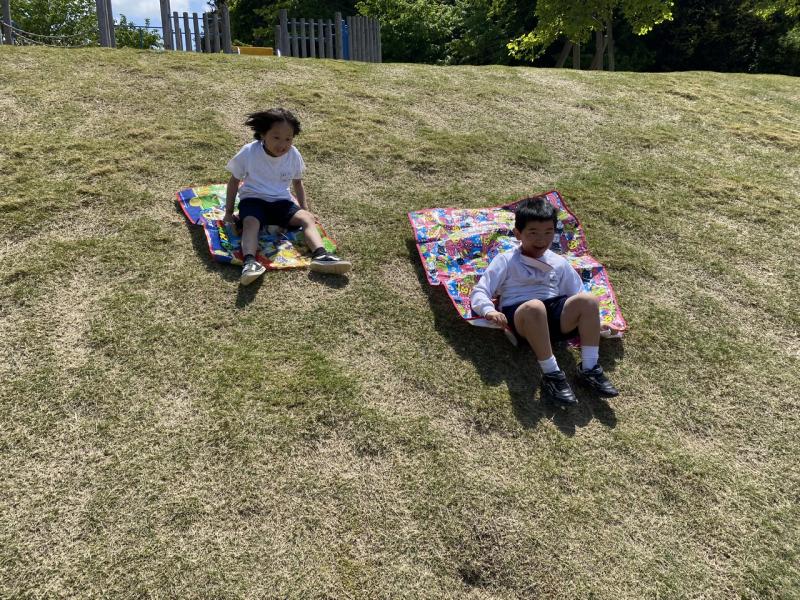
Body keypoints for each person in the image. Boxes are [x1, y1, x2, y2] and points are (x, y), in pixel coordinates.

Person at [469, 198, 618, 405]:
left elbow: (577, 294)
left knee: (589, 300)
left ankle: (590, 368)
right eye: (533, 233)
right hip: (523, 316)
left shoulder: (559, 262)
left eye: (548, 232)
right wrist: (489, 310)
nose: (541, 239)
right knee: (535, 307)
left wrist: (595, 322)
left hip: (556, 316)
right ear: (518, 233)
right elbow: (480, 291)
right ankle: (552, 374)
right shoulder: (506, 260)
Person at [223, 108, 352, 285]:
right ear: (263, 134)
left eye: (288, 139)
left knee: (307, 219)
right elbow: (234, 181)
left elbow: (298, 183)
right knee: (250, 223)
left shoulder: (293, 154)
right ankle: (250, 262)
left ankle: (321, 255)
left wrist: (305, 209)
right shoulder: (249, 152)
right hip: (253, 200)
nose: (282, 144)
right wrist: (229, 212)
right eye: (276, 137)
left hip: (281, 202)